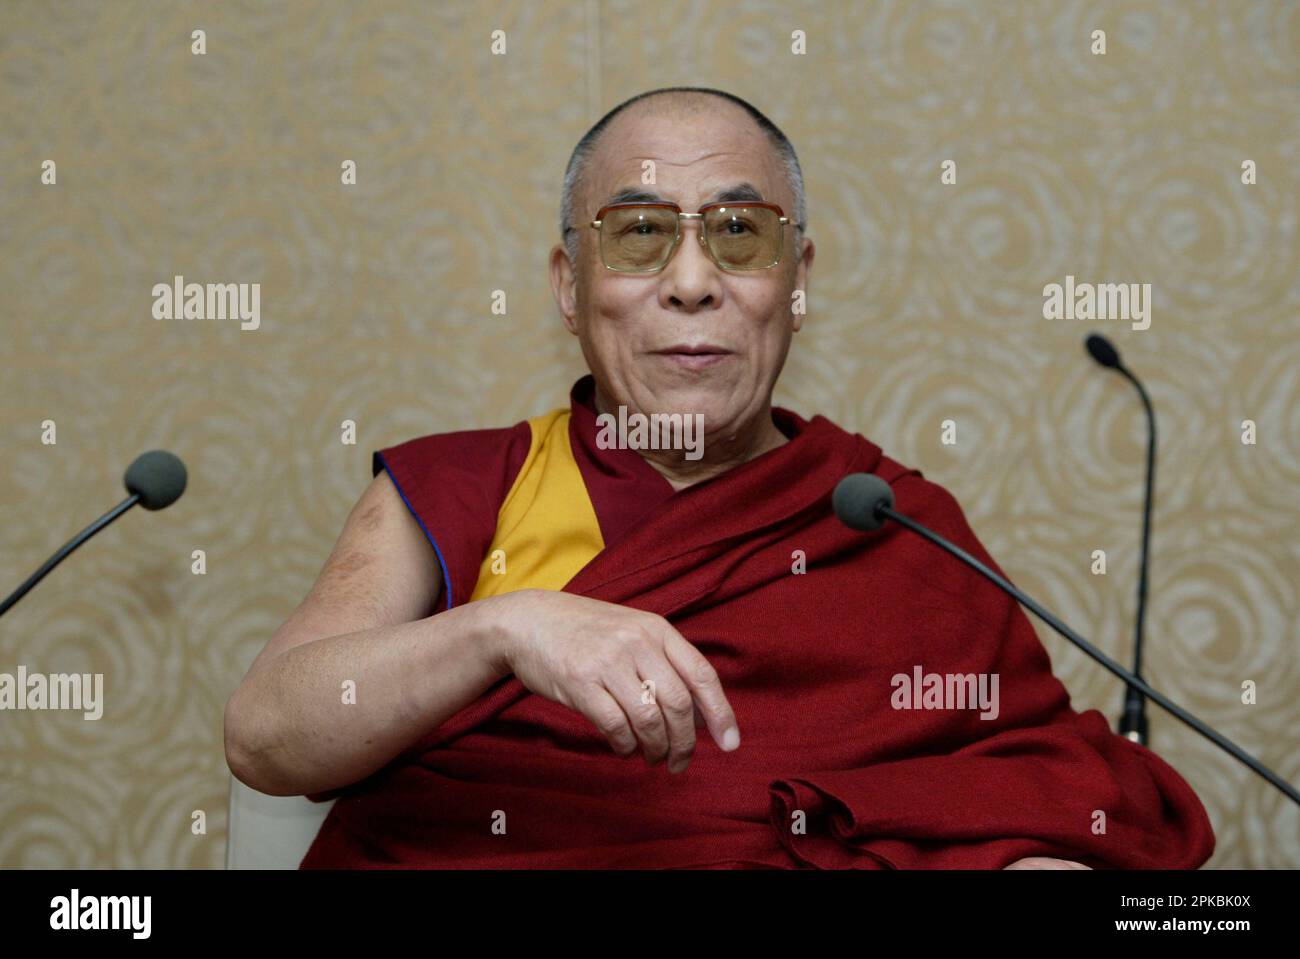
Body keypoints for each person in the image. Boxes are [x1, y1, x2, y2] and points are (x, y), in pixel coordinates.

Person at [223, 86, 1215, 869]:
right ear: (570, 289)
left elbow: (1030, 782)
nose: (691, 280)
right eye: (639, 231)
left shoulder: (887, 519)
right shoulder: (470, 486)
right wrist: (504, 624)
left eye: (739, 235)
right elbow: (271, 732)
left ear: (797, 282)